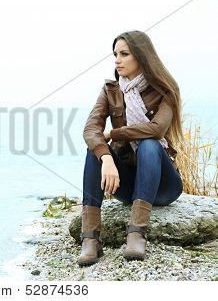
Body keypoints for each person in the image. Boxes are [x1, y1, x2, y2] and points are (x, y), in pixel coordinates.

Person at [78, 30, 183, 266]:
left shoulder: (165, 90)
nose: (117, 60)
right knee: (95, 149)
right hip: (129, 185)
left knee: (148, 144)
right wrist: (106, 158)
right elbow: (90, 130)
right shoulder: (110, 91)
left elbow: (156, 129)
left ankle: (136, 234)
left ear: (142, 56)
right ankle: (90, 239)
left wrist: (115, 134)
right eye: (115, 54)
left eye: (124, 54)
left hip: (164, 186)